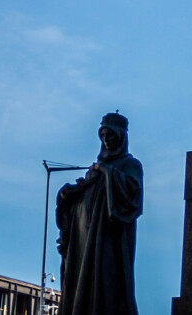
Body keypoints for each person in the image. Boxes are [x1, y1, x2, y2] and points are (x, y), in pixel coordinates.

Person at [56, 112, 143, 315]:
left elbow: (133, 192)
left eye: (111, 135)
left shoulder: (130, 165)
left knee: (108, 282)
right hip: (87, 237)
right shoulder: (93, 171)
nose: (106, 139)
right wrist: (69, 195)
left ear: (121, 137)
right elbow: (87, 194)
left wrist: (107, 172)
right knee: (81, 278)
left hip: (109, 238)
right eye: (103, 135)